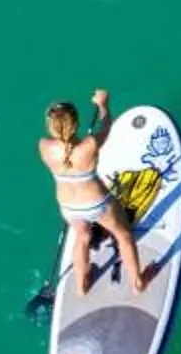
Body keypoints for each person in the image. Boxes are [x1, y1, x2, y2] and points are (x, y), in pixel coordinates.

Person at [39, 88, 147, 297]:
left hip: (68, 207)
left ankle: (82, 285)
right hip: (97, 203)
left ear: (51, 127)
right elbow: (108, 125)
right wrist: (103, 105)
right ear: (76, 124)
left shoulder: (43, 146)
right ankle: (138, 282)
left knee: (82, 237)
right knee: (123, 235)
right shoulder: (90, 145)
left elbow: (66, 150)